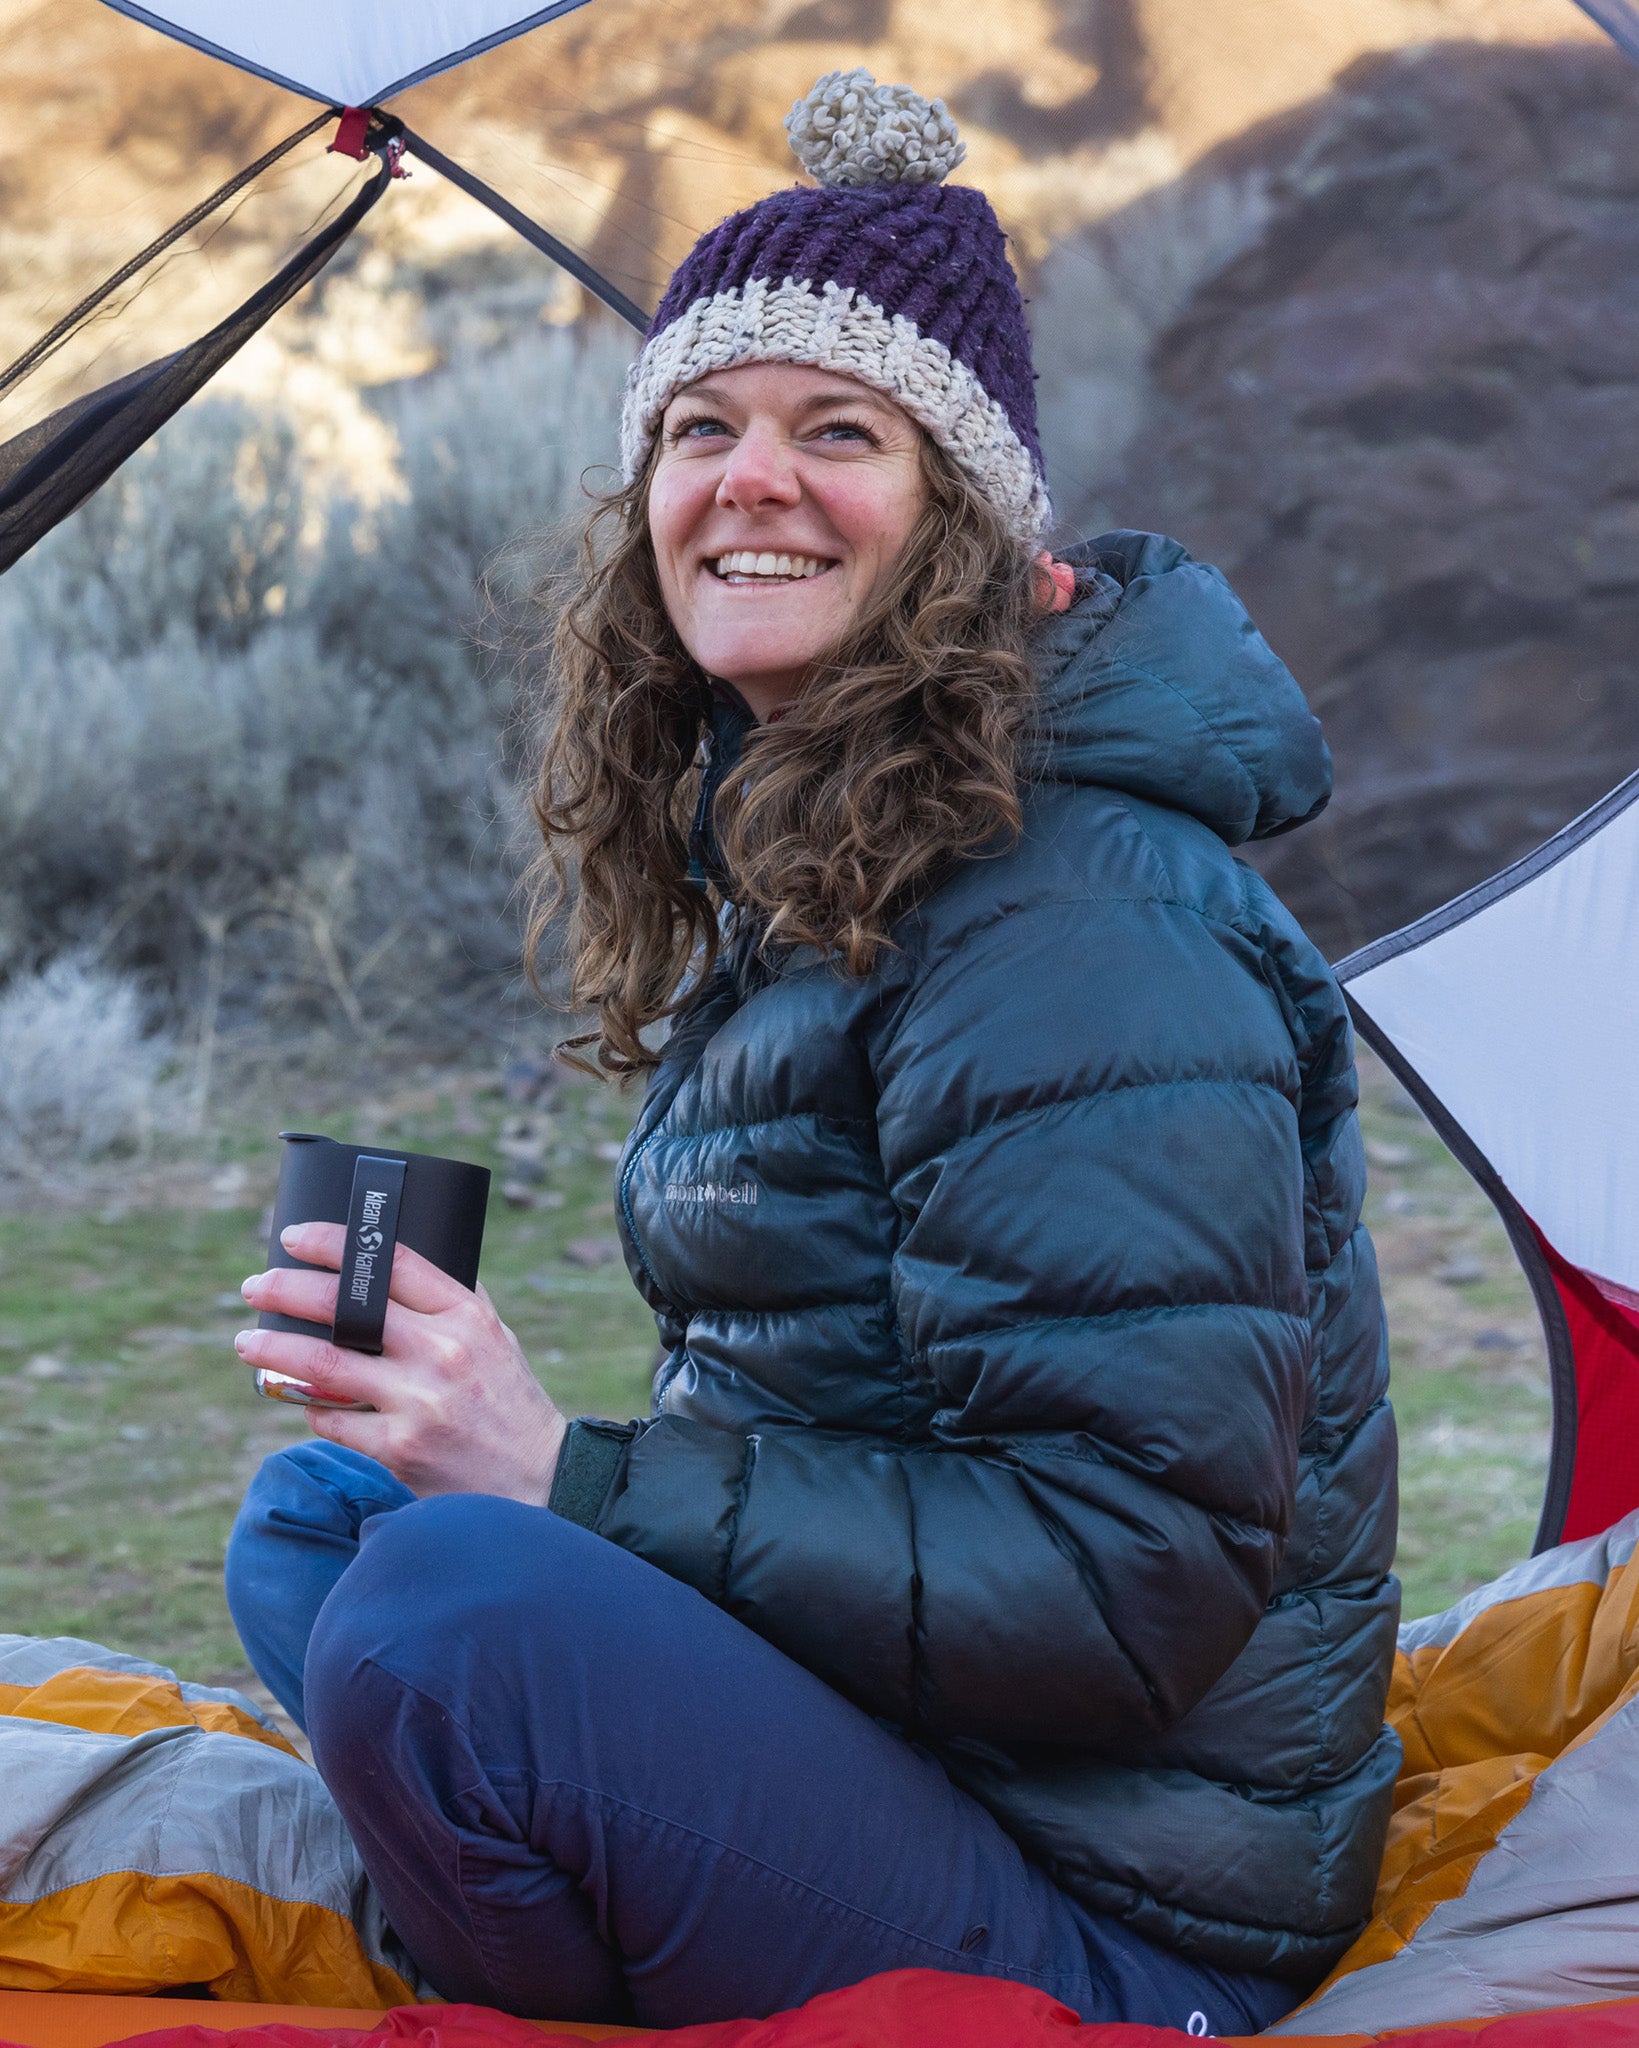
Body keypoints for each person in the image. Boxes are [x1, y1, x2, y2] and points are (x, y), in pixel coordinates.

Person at [225, 69, 1399, 2037]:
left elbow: (1124, 1586)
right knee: (326, 1528)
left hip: (1119, 1897)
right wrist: (509, 1467)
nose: (747, 479)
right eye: (702, 429)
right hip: (940, 1747)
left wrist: (563, 1479)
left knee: (443, 1622)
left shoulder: (1079, 918)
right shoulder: (835, 848)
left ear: (967, 525)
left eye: (835, 432)